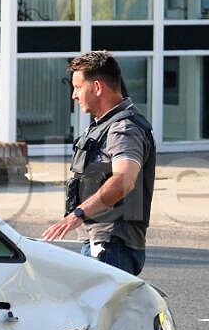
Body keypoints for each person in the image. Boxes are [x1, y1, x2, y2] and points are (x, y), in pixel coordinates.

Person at [43, 51, 155, 276]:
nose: (74, 95)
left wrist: (78, 214)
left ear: (97, 87)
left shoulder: (123, 128)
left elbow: (123, 180)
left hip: (112, 244)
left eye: (77, 87)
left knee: (102, 311)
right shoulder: (104, 126)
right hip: (104, 242)